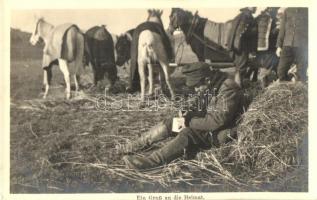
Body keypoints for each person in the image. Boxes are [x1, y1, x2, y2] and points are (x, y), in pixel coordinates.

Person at [118, 62, 244, 170]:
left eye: (196, 86)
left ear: (207, 80)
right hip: (210, 126)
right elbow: (198, 103)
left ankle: (151, 163)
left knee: (187, 133)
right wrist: (186, 112)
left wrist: (189, 121)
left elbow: (218, 120)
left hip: (221, 133)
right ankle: (136, 145)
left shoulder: (228, 89)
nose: (195, 90)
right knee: (173, 122)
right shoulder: (211, 85)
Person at [248, 7, 280, 88]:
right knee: (267, 67)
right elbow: (269, 35)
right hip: (267, 48)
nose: (276, 12)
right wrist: (277, 29)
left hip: (259, 48)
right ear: (271, 10)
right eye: (275, 10)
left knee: (264, 66)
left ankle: (260, 83)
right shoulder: (269, 19)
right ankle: (264, 88)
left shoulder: (259, 18)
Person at [226, 7, 257, 87]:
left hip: (239, 47)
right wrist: (254, 31)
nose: (255, 7)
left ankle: (238, 87)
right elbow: (241, 34)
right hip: (241, 48)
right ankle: (238, 88)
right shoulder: (246, 17)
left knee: (239, 69)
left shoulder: (242, 16)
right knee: (240, 69)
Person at [275, 8, 308, 81]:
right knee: (281, 72)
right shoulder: (287, 11)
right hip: (287, 45)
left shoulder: (308, 10)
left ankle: (299, 88)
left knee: (302, 74)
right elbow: (282, 30)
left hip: (302, 46)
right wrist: (279, 46)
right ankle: (287, 87)